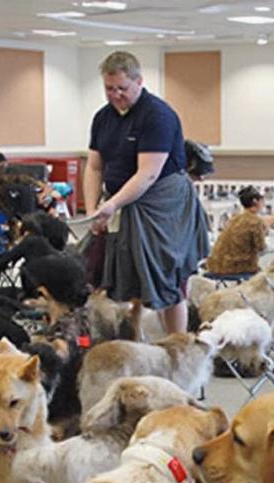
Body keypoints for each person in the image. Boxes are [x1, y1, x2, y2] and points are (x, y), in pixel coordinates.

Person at [84, 51, 209, 334]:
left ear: (139, 82)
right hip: (120, 204)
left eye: (122, 88)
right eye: (109, 89)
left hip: (162, 207)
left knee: (167, 279)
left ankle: (179, 348)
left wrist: (112, 205)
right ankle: (133, 343)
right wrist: (93, 209)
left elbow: (147, 173)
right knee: (122, 279)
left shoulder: (158, 115)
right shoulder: (102, 118)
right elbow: (93, 167)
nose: (115, 95)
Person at [205, 185, 274, 275]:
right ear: (255, 201)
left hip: (215, 265)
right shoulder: (255, 222)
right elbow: (261, 248)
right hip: (235, 267)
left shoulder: (234, 219)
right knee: (271, 255)